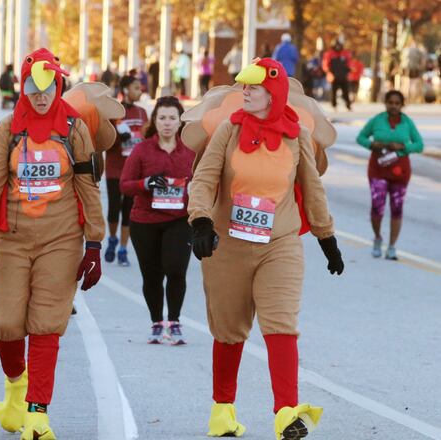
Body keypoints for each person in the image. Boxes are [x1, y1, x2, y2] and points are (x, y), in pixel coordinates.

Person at [187, 58, 344, 438]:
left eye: (254, 88)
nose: (246, 92)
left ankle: (286, 413)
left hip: (280, 243)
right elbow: (204, 179)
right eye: (243, 86)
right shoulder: (228, 130)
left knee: (281, 323)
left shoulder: (297, 136)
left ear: (272, 92)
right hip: (229, 243)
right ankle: (223, 410)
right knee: (228, 329)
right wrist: (201, 220)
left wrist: (327, 238)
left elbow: (312, 187)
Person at [0, 48, 105, 439]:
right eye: (33, 86)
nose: (41, 94)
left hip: (60, 239)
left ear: (59, 85)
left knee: (46, 324)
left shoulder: (74, 129)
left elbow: (88, 187)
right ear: (22, 86)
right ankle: (16, 386)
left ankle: (37, 412)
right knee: (6, 324)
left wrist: (94, 243)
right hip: (10, 239)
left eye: (48, 87)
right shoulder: (8, 128)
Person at [120, 96, 194, 345]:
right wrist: (146, 183)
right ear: (154, 121)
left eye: (173, 118)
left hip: (179, 220)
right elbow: (125, 185)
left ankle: (173, 321)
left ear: (181, 122)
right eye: (162, 118)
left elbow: (204, 181)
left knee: (176, 270)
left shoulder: (190, 151)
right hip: (145, 221)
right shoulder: (142, 149)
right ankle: (156, 321)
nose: (167, 123)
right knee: (152, 275)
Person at [356, 90, 423, 260]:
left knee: (397, 208)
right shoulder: (377, 120)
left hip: (400, 172)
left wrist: (403, 147)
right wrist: (372, 145)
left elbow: (419, 144)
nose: (393, 106)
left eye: (397, 103)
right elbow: (360, 137)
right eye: (390, 102)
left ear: (401, 105)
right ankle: (377, 238)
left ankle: (392, 246)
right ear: (385, 103)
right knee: (377, 207)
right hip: (378, 170)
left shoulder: (407, 123)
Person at [104, 74, 147, 266]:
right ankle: (112, 238)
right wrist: (117, 140)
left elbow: (147, 139)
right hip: (114, 168)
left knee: (128, 210)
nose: (140, 91)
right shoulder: (114, 112)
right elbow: (104, 140)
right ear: (126, 90)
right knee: (114, 208)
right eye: (136, 87)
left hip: (133, 170)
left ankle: (123, 248)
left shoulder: (142, 113)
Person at [322, 40, 353, 111]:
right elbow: (325, 64)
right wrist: (329, 72)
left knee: (346, 91)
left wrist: (349, 71)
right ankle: (334, 105)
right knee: (334, 92)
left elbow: (349, 63)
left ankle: (348, 105)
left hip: (343, 76)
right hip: (334, 76)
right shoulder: (329, 54)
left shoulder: (345, 54)